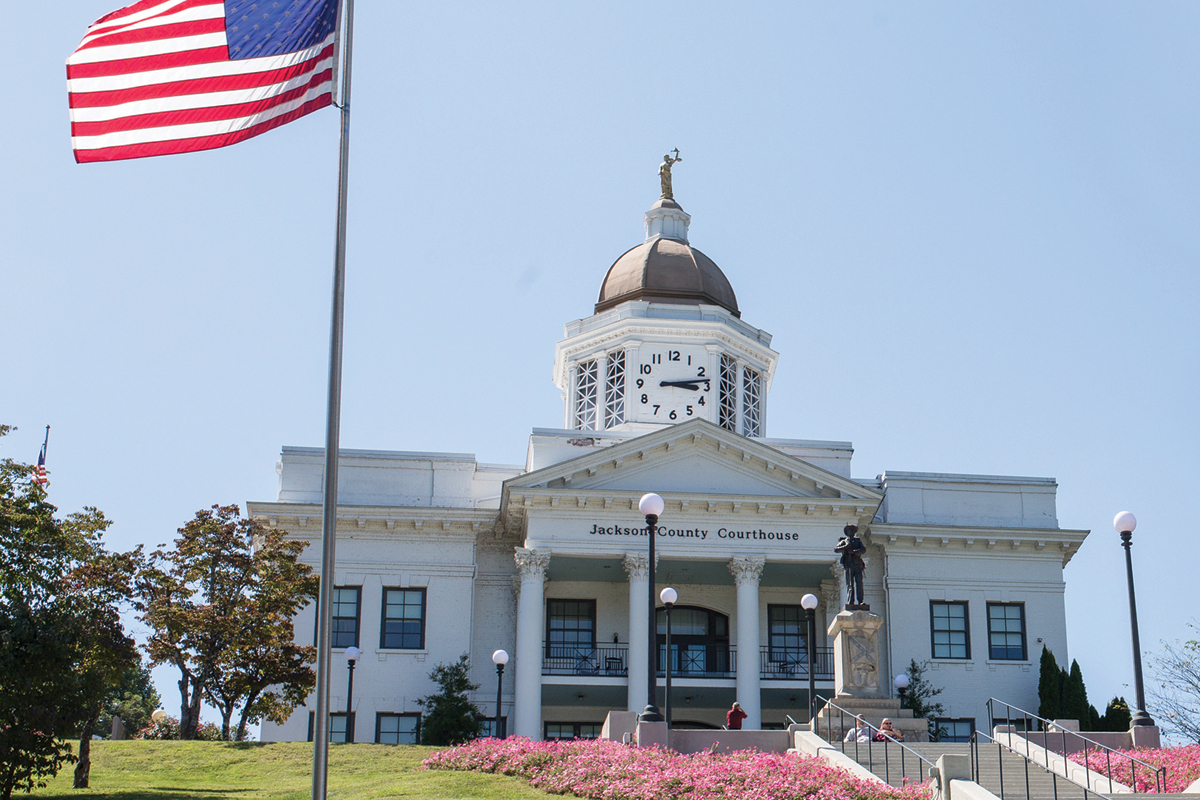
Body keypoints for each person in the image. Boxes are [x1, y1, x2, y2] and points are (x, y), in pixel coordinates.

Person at [834, 524, 867, 607]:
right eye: (849, 530)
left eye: (852, 530)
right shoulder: (844, 541)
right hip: (849, 565)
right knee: (850, 584)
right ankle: (851, 601)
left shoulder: (858, 541)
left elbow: (863, 550)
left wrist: (855, 552)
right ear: (847, 532)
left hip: (857, 564)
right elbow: (836, 549)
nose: (851, 532)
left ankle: (860, 601)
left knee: (859, 583)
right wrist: (845, 547)